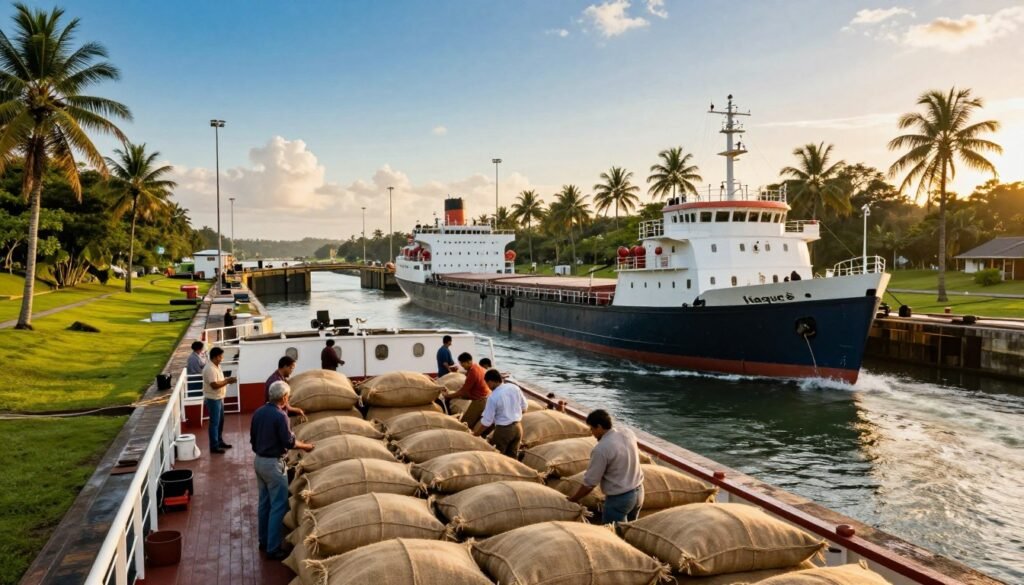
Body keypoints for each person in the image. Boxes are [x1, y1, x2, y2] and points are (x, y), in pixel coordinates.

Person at [251, 381, 315, 560]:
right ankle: (273, 548)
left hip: (259, 461)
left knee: (264, 504)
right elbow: (289, 442)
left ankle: (263, 541)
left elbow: (252, 439)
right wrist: (306, 446)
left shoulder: (258, 412)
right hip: (274, 465)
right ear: (284, 397)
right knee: (278, 506)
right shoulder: (281, 417)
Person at [568, 409, 644, 524]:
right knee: (630, 531)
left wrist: (573, 499)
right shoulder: (628, 433)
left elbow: (590, 483)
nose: (591, 433)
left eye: (592, 429)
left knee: (614, 536)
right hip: (639, 492)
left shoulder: (601, 449)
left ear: (599, 427)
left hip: (620, 499)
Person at [473, 369, 528, 457]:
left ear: (490, 381)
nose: (488, 386)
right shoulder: (514, 387)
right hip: (518, 428)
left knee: (498, 458)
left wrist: (475, 435)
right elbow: (524, 408)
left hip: (504, 430)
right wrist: (513, 415)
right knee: (512, 457)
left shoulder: (493, 397)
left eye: (487, 384)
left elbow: (487, 421)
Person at [203, 347, 237, 454]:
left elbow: (219, 381)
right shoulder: (210, 369)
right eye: (221, 356)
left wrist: (227, 381)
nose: (222, 358)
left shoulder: (217, 366)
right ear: (216, 357)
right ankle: (214, 446)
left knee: (220, 421)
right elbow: (214, 385)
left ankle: (219, 441)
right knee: (214, 423)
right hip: (213, 399)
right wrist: (227, 381)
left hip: (219, 398)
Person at [444, 352, 490, 429]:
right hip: (485, 397)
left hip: (479, 401)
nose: (462, 366)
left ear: (469, 362)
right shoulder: (476, 367)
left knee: (465, 424)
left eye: (463, 363)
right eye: (460, 363)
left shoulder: (473, 372)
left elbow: (463, 391)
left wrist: (448, 396)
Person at [264, 356, 305, 425]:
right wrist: (297, 410)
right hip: (276, 418)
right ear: (285, 366)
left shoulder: (280, 378)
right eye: (291, 368)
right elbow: (281, 403)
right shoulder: (276, 382)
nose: (292, 371)